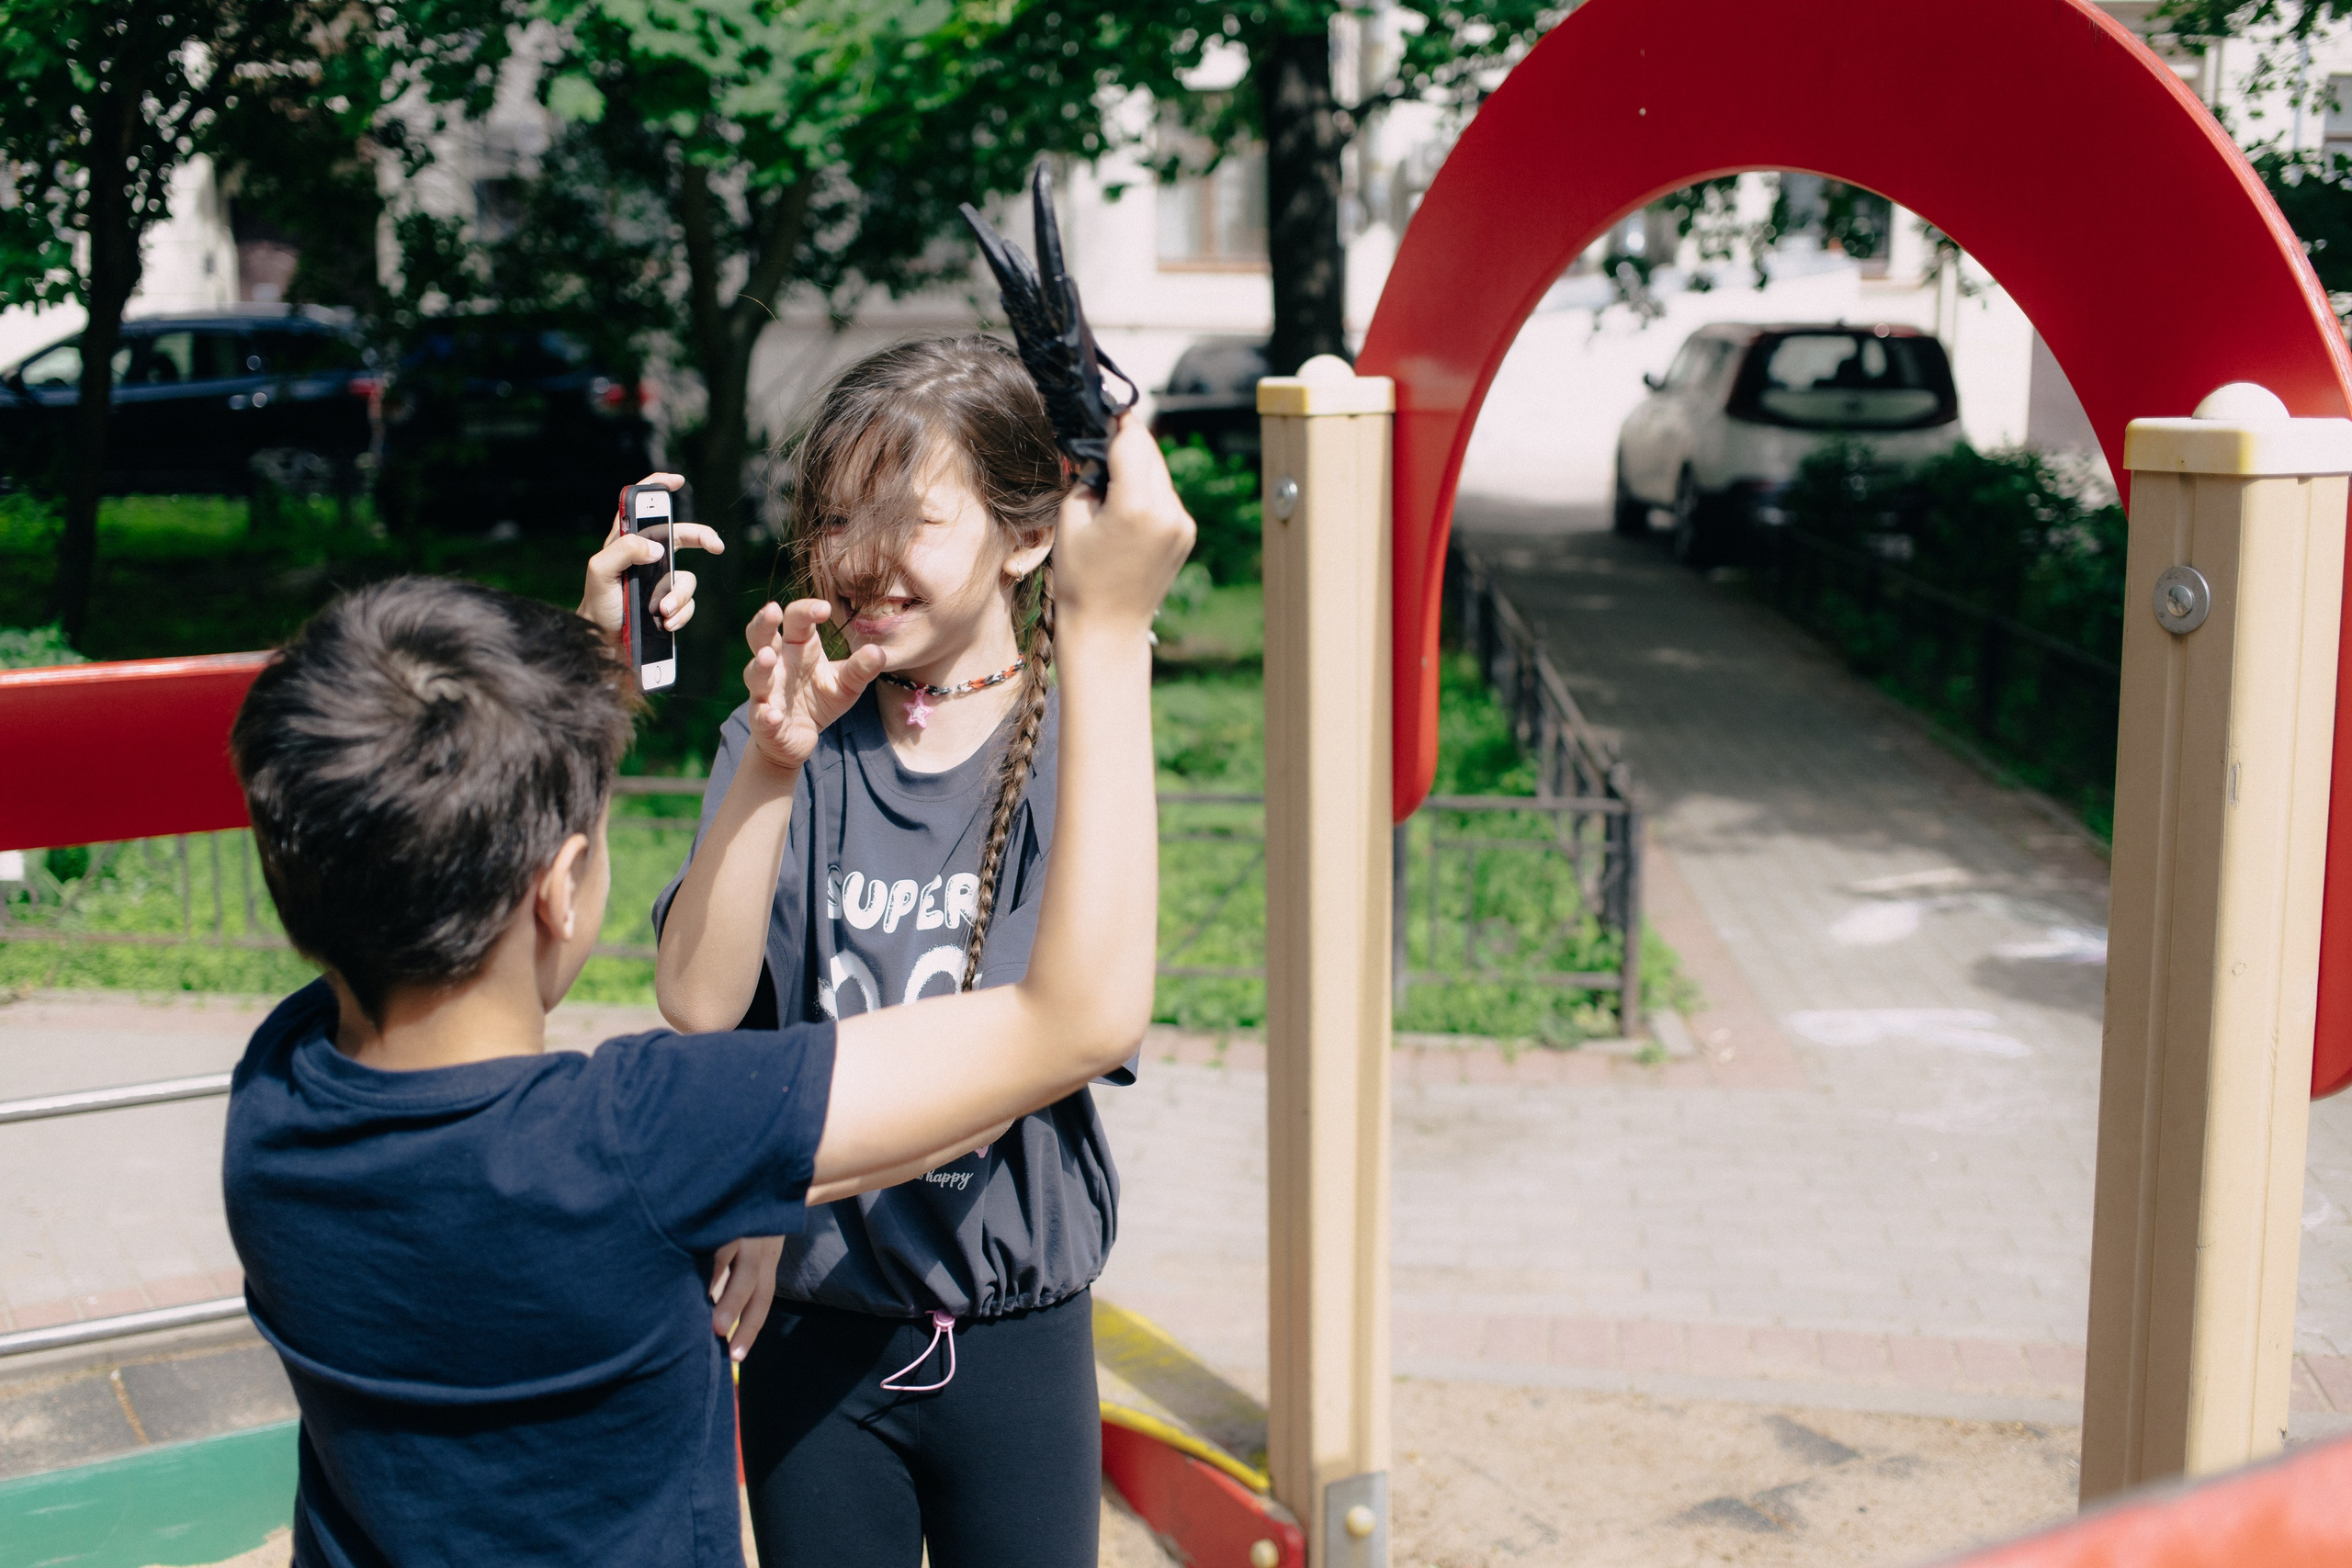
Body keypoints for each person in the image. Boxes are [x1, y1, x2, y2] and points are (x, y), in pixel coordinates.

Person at [219, 422, 1192, 1566]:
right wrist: (1111, 628)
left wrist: (593, 669)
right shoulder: (645, 1141)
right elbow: (1074, 1021)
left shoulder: (277, 1103)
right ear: (563, 890)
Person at [651, 336, 1132, 1568]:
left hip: (1013, 1328)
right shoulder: (790, 731)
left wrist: (774, 1172)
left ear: (1026, 536)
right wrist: (769, 760)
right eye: (834, 517)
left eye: (908, 517)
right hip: (811, 1328)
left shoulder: (1079, 748)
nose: (860, 557)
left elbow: (1005, 1070)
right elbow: (700, 1002)